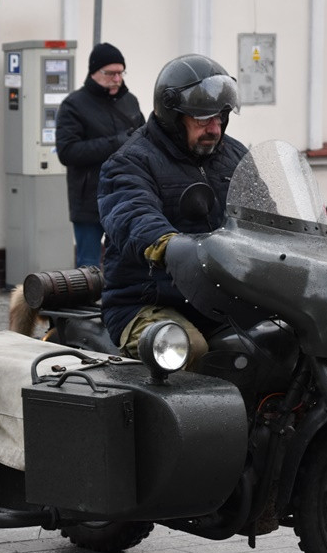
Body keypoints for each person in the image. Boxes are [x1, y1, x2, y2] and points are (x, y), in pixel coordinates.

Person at [97, 53, 247, 364]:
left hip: (218, 298)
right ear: (173, 117)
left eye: (220, 117)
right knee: (189, 347)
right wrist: (168, 244)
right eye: (202, 119)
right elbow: (132, 213)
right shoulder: (130, 162)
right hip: (146, 300)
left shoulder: (234, 155)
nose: (215, 129)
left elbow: (261, 204)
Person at [55, 42, 144, 268]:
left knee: (127, 261)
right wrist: (115, 143)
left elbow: (145, 140)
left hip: (125, 195)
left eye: (120, 73)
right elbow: (68, 152)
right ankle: (86, 303)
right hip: (88, 200)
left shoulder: (130, 101)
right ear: (94, 72)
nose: (116, 79)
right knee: (88, 266)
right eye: (110, 73)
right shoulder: (73, 105)